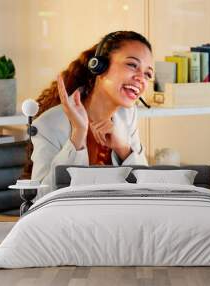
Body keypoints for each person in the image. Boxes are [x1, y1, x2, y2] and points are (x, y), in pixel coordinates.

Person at [30, 31, 153, 198]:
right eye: (132, 65)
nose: (141, 78)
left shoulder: (127, 116)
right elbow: (40, 199)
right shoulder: (48, 124)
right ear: (100, 67)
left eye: (148, 74)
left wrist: (124, 149)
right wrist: (78, 136)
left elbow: (148, 191)